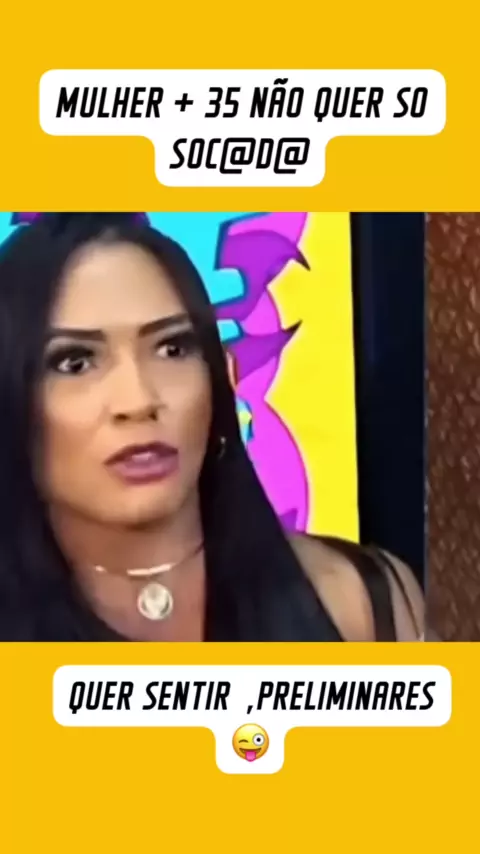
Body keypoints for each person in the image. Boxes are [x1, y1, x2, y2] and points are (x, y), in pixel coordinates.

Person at [0, 213, 425, 642]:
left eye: (172, 348)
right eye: (75, 363)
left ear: (222, 376)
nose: (139, 401)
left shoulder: (355, 599)